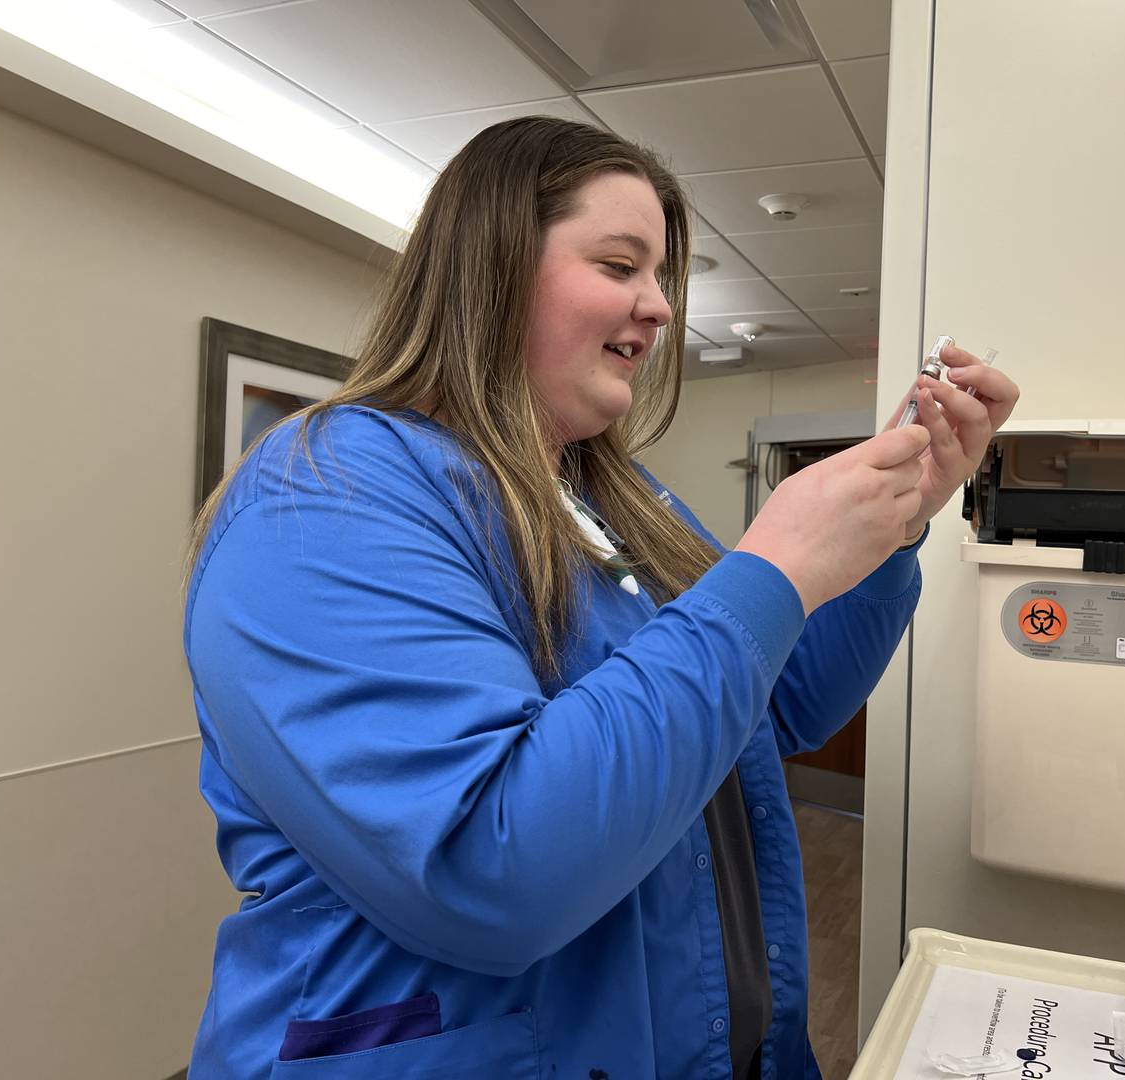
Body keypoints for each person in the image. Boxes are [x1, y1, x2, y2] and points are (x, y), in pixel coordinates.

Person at [182, 116, 1018, 1079]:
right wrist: (776, 563)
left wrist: (897, 520)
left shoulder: (611, 497)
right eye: (621, 265)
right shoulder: (326, 497)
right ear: (489, 269)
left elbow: (778, 706)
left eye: (662, 277)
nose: (659, 308)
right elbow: (492, 867)